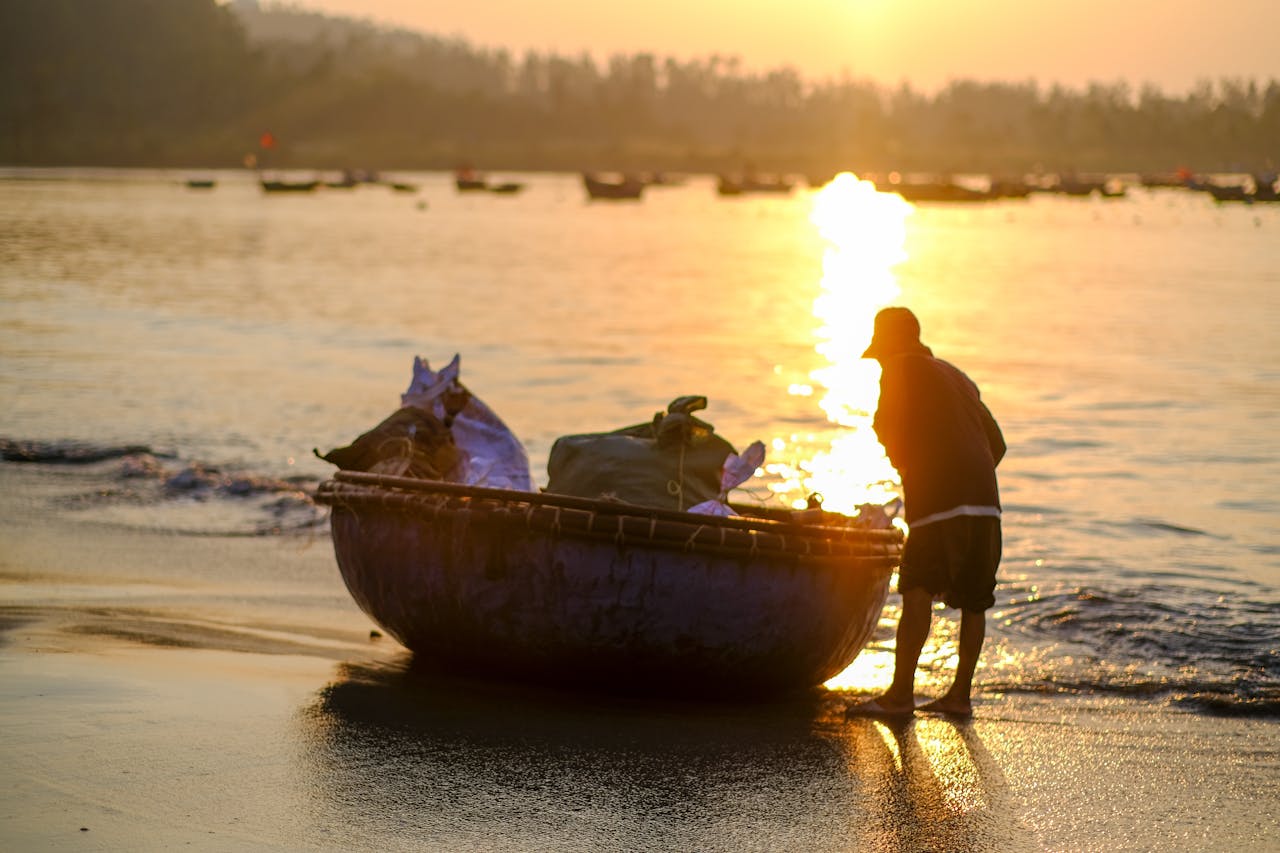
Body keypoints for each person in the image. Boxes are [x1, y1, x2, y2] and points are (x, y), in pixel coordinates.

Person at [849, 307, 1006, 718]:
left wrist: (909, 464)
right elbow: (998, 445)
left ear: (892, 346)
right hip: (987, 504)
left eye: (881, 352)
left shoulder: (900, 368)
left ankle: (900, 696)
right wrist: (970, 479)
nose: (881, 361)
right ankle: (960, 698)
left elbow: (886, 426)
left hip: (939, 500)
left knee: (917, 586)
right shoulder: (957, 376)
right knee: (975, 599)